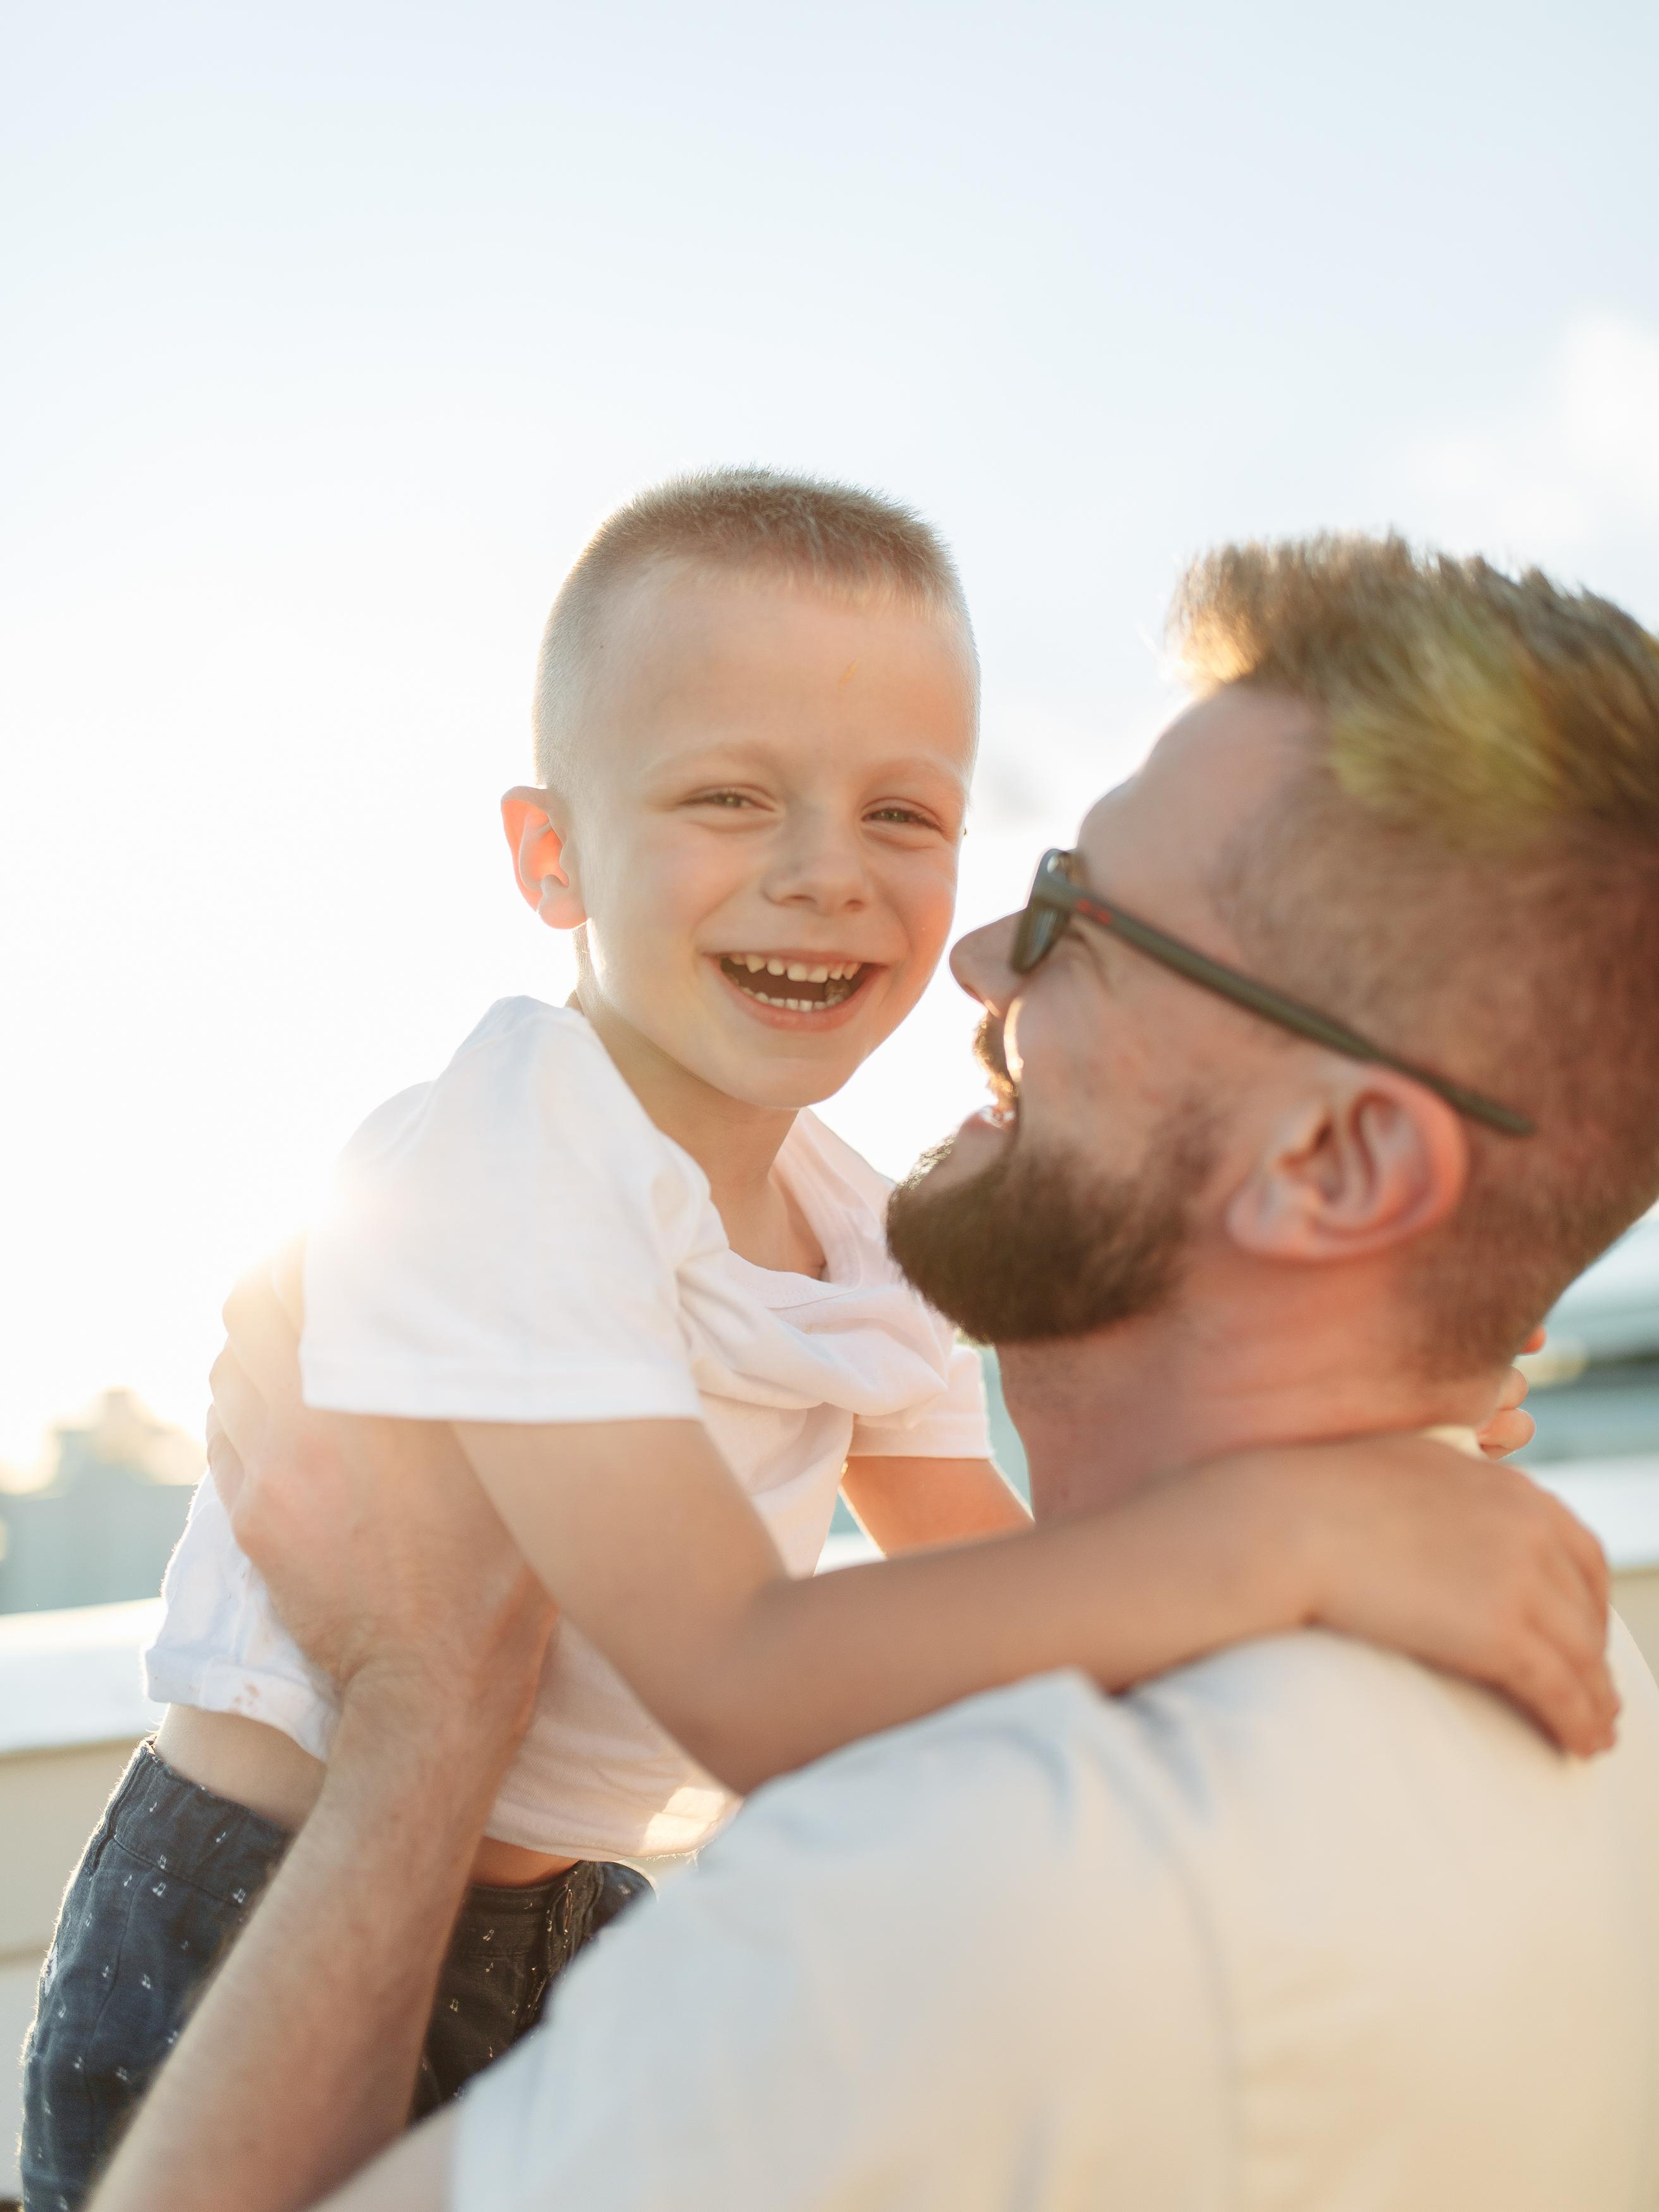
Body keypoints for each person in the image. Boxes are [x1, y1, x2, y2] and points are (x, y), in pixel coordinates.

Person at [25, 476, 1582, 2212]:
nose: (825, 875)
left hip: (562, 1903)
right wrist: (1307, 1534)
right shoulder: (512, 1150)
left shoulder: (861, 1239)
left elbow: (1007, 1612)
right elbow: (751, 1671)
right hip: (248, 1906)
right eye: (728, 798)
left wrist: (1399, 1417)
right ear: (554, 859)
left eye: (906, 816)